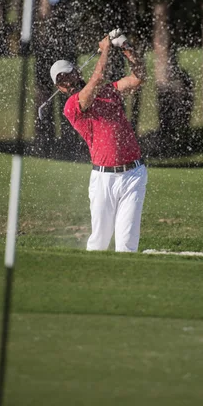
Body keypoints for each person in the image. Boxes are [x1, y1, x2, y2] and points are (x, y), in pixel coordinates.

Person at [50, 31, 147, 253]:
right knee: (99, 243)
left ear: (76, 72)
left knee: (127, 244)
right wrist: (105, 50)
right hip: (104, 179)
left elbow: (139, 77)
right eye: (61, 81)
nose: (67, 82)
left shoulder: (109, 91)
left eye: (67, 75)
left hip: (134, 175)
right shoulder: (72, 106)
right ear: (59, 88)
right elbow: (96, 79)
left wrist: (127, 49)